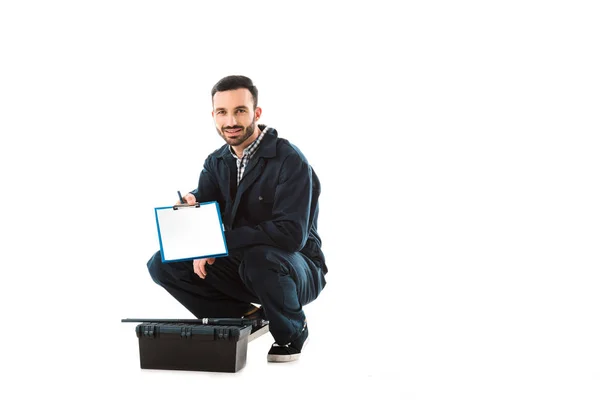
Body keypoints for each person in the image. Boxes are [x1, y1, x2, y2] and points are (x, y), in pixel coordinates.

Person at [147, 75, 327, 362]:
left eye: (240, 111)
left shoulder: (289, 160)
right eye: (222, 112)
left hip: (296, 268)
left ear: (256, 113)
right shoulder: (216, 162)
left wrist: (218, 242)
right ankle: (243, 315)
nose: (231, 120)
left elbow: (291, 234)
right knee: (162, 264)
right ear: (213, 116)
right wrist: (191, 206)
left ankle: (293, 329)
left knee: (261, 258)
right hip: (244, 267)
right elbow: (209, 208)